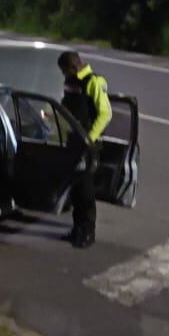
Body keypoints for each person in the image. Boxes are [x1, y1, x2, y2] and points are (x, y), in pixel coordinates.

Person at [58, 50, 111, 250]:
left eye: (64, 71)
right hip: (73, 142)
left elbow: (105, 113)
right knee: (76, 189)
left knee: (86, 190)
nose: (64, 75)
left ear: (73, 67)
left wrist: (90, 138)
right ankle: (77, 229)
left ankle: (88, 232)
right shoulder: (72, 83)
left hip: (87, 146)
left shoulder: (94, 82)